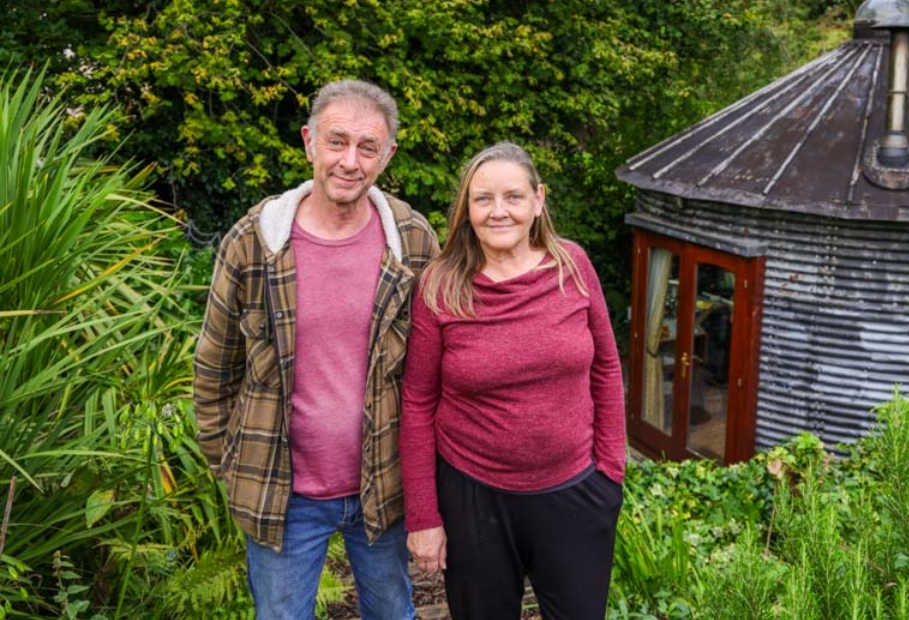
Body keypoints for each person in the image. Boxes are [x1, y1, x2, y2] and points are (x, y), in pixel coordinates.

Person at [193, 79, 439, 619]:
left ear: (387, 156)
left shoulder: (414, 240)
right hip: (283, 492)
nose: (350, 161)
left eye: (367, 147)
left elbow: (435, 372)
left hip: (384, 485)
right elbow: (214, 366)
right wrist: (226, 464)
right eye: (337, 141)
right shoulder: (254, 241)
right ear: (309, 142)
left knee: (392, 614)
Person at [400, 141, 626, 619]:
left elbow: (606, 368)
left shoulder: (573, 267)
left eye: (513, 197)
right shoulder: (441, 285)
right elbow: (418, 403)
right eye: (483, 199)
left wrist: (610, 470)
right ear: (467, 208)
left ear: (538, 200)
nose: (498, 211)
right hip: (472, 497)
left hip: (575, 492)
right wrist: (424, 516)